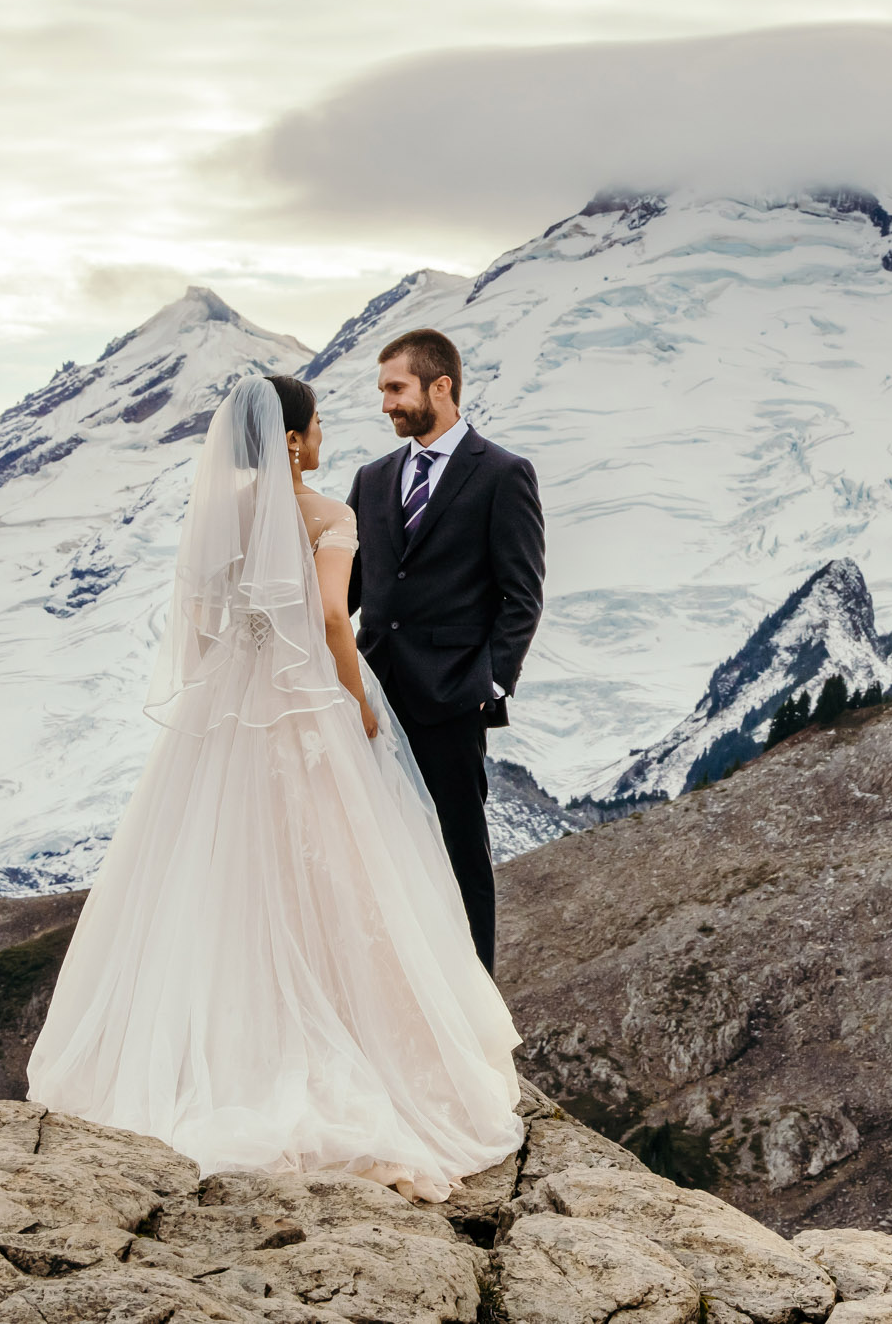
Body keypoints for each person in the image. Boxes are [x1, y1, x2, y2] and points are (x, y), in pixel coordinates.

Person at [25, 375, 523, 1201]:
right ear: (291, 439)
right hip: (302, 702)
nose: (326, 435)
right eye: (318, 424)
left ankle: (221, 1050)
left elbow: (197, 623)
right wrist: (357, 702)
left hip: (229, 701)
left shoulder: (222, 515)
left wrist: (227, 676)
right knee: (332, 869)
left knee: (217, 871)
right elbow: (334, 619)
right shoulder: (326, 514)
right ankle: (348, 1044)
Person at [346, 330, 546, 974]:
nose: (386, 405)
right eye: (383, 391)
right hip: (370, 700)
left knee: (461, 857)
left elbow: (523, 593)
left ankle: (476, 1010)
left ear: (441, 387)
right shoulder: (372, 479)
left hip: (452, 700)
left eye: (395, 389)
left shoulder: (502, 474)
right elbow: (346, 588)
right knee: (374, 853)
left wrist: (490, 682)